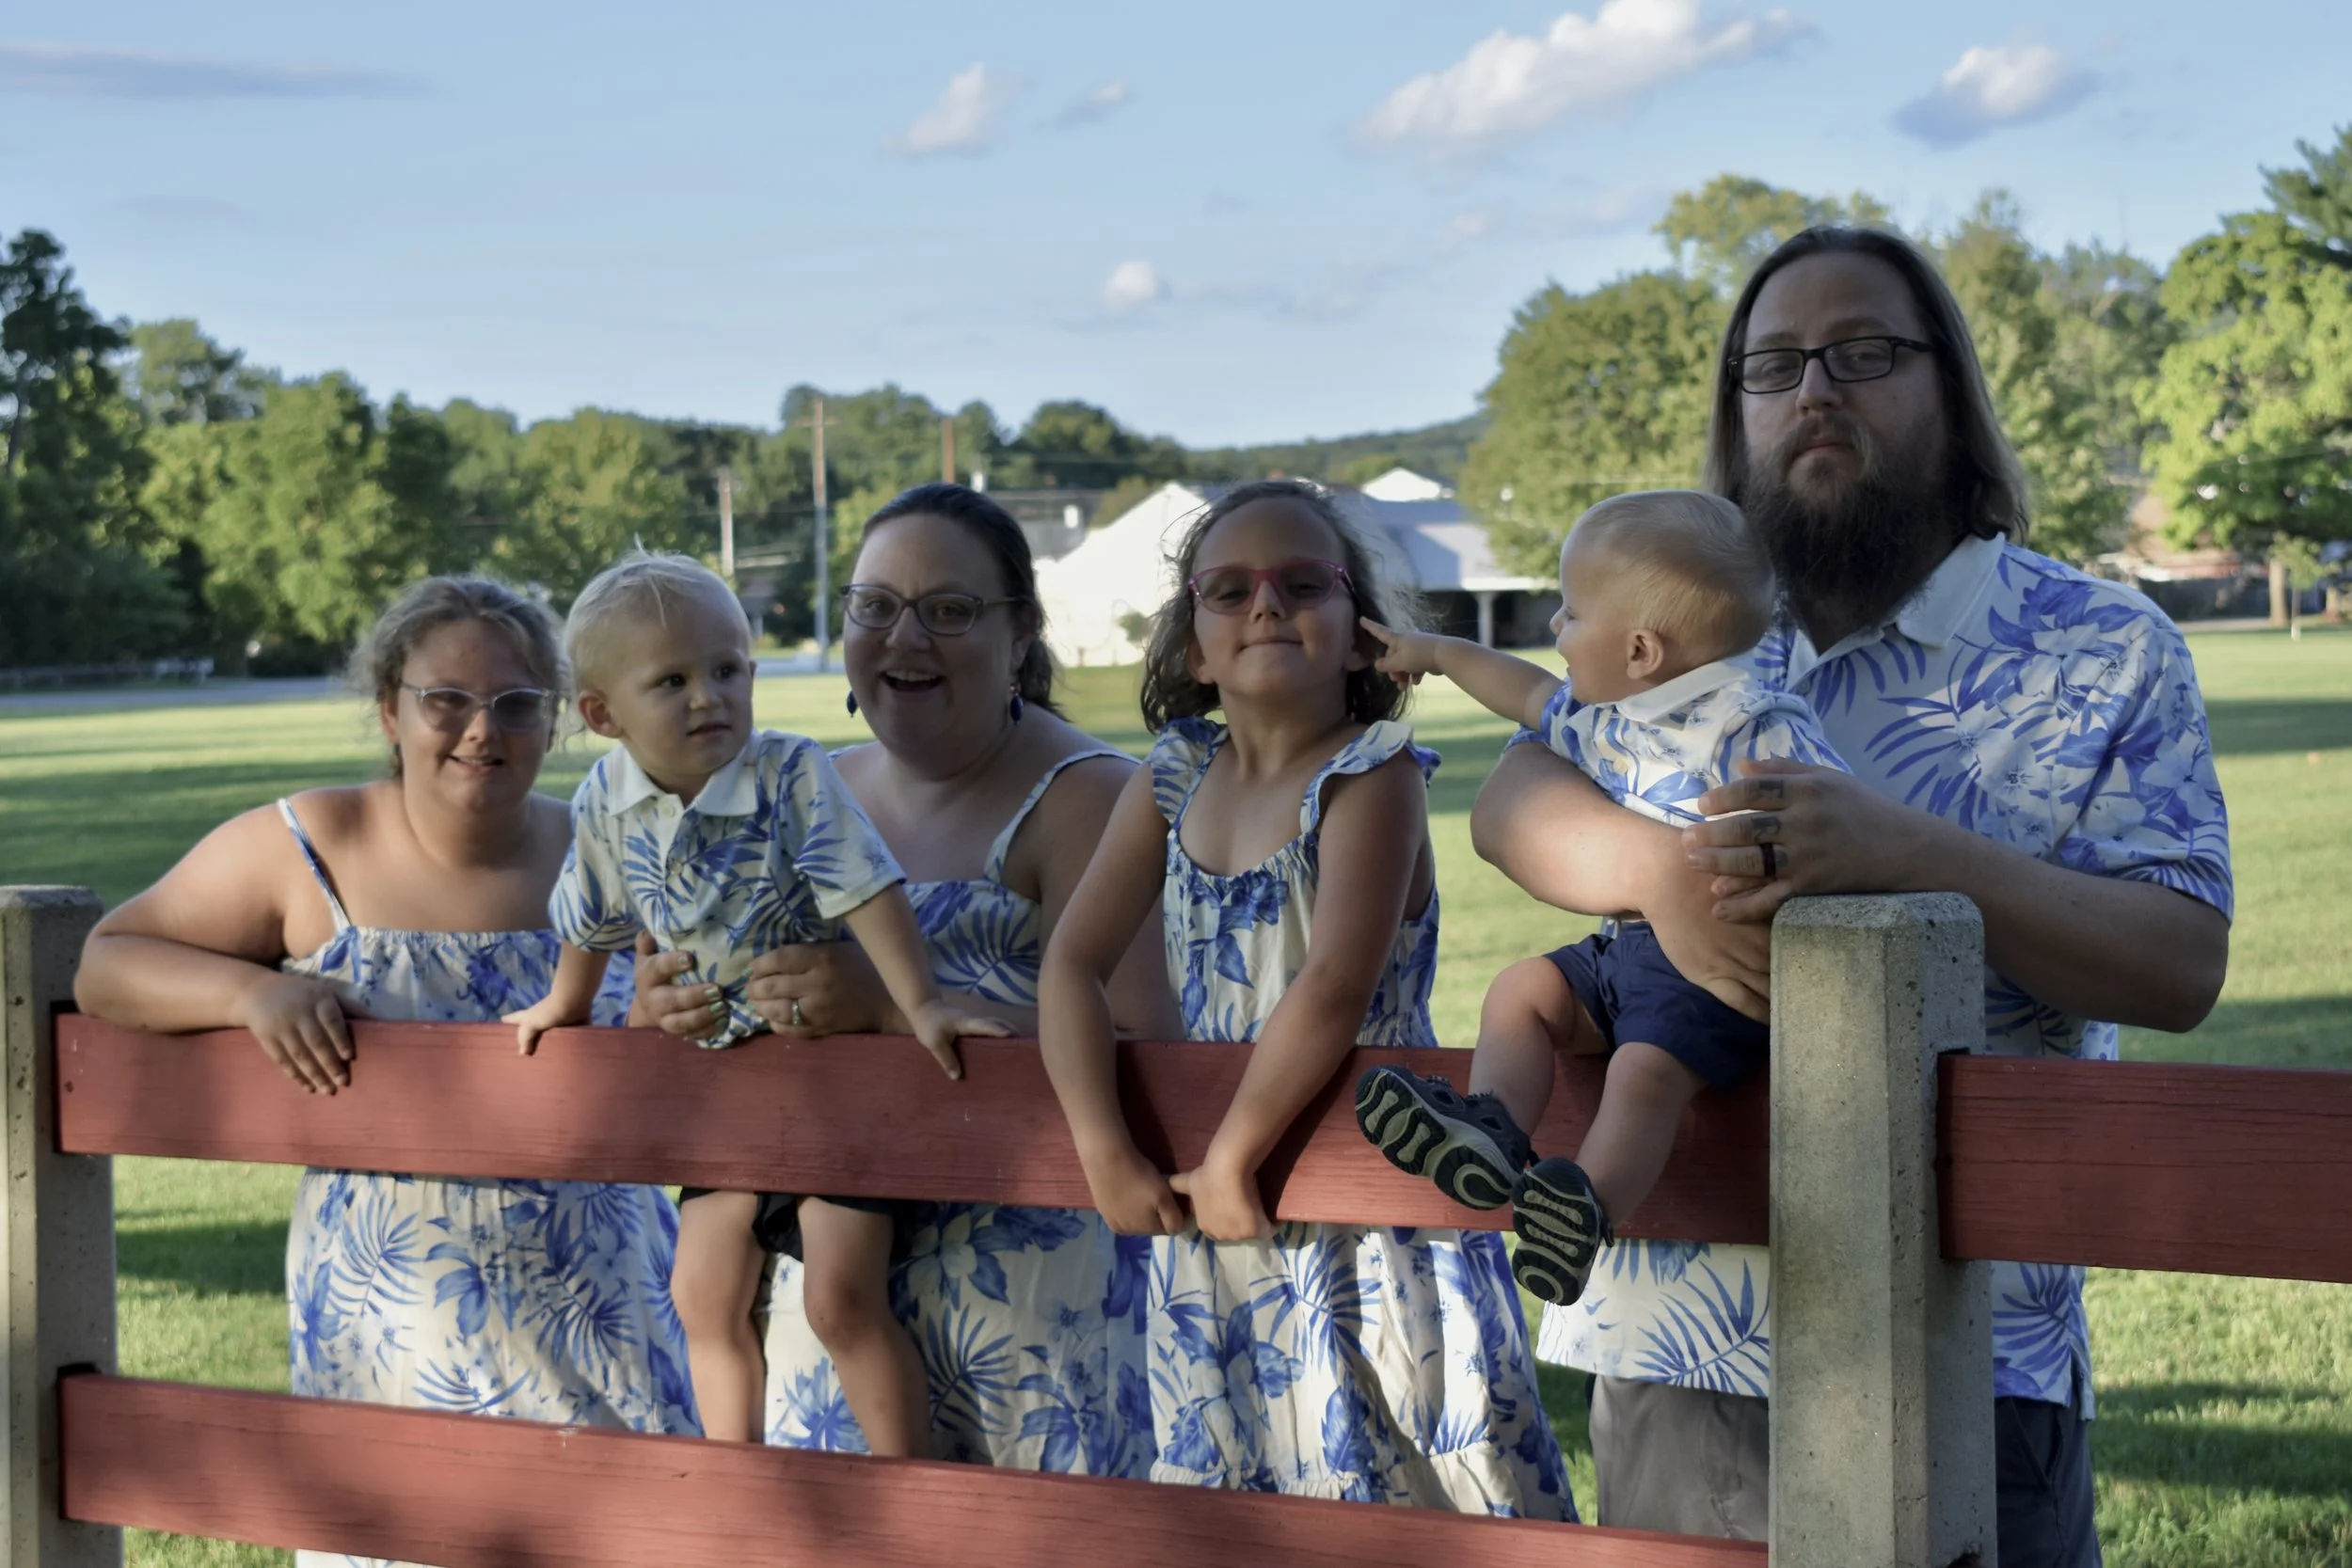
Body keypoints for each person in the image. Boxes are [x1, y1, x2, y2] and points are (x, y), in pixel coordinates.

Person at [1471, 227, 2232, 1562]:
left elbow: (2179, 963)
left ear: (1951, 387)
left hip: (1979, 1334)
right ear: (1737, 410)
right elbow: (1507, 805)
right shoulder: (1671, 620)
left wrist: (1911, 851)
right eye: (1772, 365)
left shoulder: (2104, 644)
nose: (1814, 387)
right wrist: (1659, 874)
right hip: (1683, 1315)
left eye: (1863, 352)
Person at [74, 575, 697, 1568]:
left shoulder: (611, 847)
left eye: (515, 702)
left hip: (604, 1301)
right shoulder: (310, 847)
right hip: (390, 1324)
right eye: (445, 699)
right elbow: (107, 962)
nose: (479, 730)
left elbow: (703, 1001)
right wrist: (252, 995)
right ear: (389, 709)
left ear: (559, 715)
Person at [1039, 479, 1570, 1513]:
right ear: (1191, 647)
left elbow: (1333, 982)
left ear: (1364, 632)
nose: (1266, 606)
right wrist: (1103, 1145)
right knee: (1245, 1501)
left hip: (1367, 1211)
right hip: (1220, 1219)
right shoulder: (1172, 779)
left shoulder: (1373, 777)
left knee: (1418, 1488)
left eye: (1300, 582)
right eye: (1227, 590)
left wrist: (1235, 1149)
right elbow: (1068, 966)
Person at [629, 483, 1181, 1474]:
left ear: (1020, 635)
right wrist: (673, 1001)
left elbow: (1151, 1046)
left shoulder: (1091, 795)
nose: (903, 636)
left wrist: (887, 1007)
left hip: (1020, 1315)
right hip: (819, 1309)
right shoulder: (803, 792)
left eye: (949, 609)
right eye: (873, 605)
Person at [504, 549, 1007, 1455]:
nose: (711, 696)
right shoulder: (606, 804)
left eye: (729, 669)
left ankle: (910, 1482)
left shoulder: (788, 774)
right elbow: (591, 916)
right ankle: (732, 1482)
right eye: (674, 680)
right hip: (722, 1085)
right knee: (701, 1289)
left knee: (839, 1296)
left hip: (827, 1072)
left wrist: (918, 1004)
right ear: (600, 713)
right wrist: (563, 1004)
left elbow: (867, 888)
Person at [1351, 489, 1845, 1307]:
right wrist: (1434, 651)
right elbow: (1520, 689)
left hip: (1713, 973)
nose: (1555, 627)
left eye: (1572, 613)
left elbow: (1831, 827)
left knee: (1644, 1074)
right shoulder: (1606, 716)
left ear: (1643, 648)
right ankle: (1491, 1127)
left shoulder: (1753, 726)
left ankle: (1586, 1206)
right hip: (1624, 948)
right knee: (1522, 991)